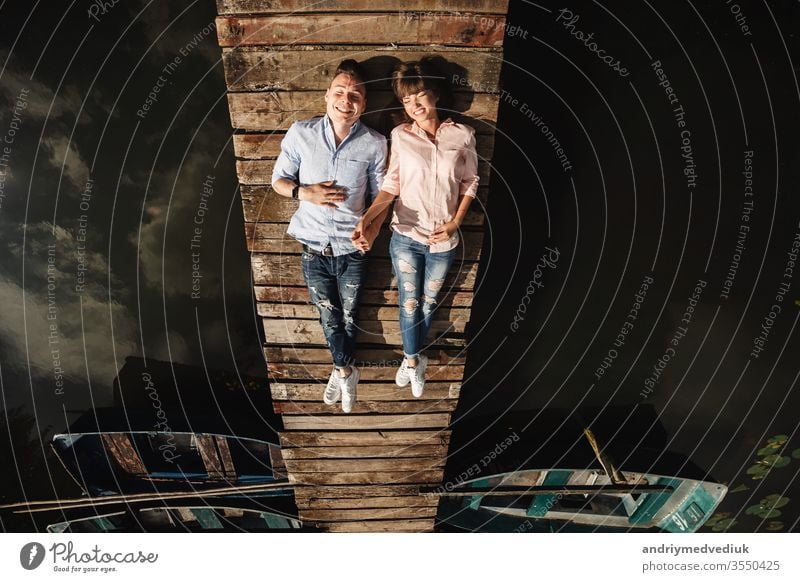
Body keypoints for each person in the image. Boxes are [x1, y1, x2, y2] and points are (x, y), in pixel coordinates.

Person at [352, 58, 479, 397]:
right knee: (409, 302)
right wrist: (367, 220)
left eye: (420, 95)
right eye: (407, 100)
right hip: (406, 236)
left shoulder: (463, 135)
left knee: (428, 303)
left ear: (435, 94)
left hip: (443, 241)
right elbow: (391, 184)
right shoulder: (400, 136)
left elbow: (470, 181)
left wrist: (455, 222)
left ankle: (415, 359)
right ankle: (412, 360)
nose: (415, 105)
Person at [272, 60, 387, 413]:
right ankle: (344, 369)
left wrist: (370, 230)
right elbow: (278, 181)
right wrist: (306, 193)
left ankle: (342, 370)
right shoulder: (300, 132)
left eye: (355, 95)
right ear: (327, 96)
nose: (346, 99)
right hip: (312, 245)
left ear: (363, 104)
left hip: (352, 247)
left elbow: (383, 198)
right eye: (339, 92)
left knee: (350, 316)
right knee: (327, 315)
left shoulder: (375, 143)